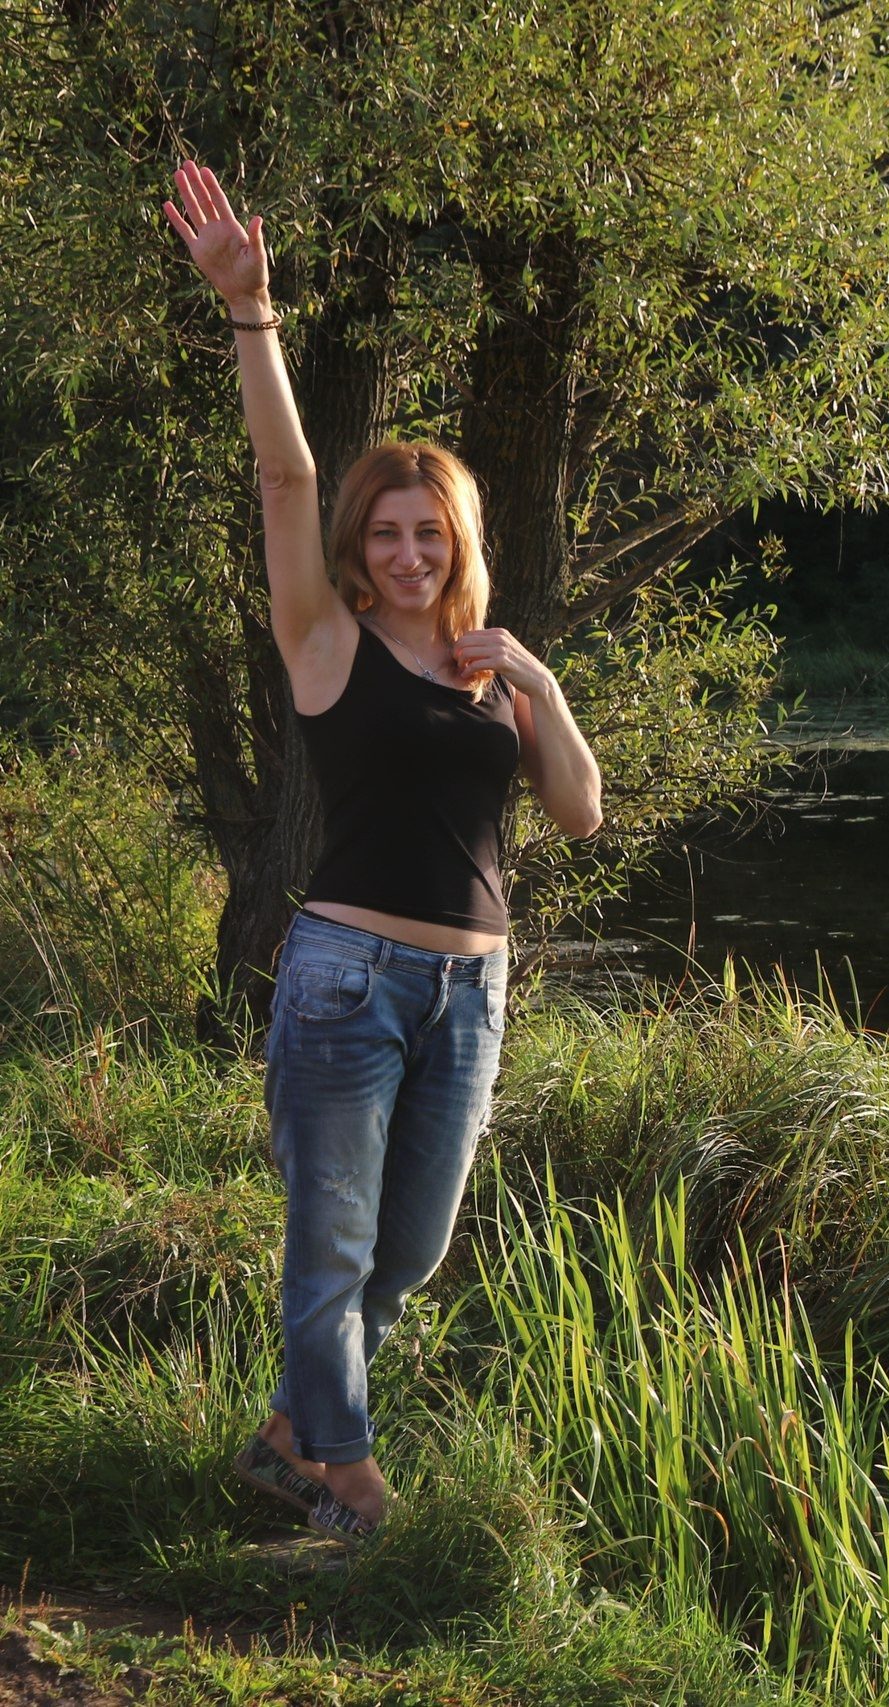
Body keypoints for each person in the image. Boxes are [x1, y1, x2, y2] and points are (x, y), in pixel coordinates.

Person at [162, 160, 605, 1542]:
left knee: (405, 1256)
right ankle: (351, 1493)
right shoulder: (327, 644)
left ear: (461, 542)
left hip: (473, 995)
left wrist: (537, 673)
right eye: (388, 533)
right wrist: (254, 314)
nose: (409, 551)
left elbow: (580, 811)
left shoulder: (491, 671)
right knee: (332, 1246)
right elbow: (287, 476)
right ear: (360, 547)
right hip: (349, 979)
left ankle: (289, 1437)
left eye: (433, 533)